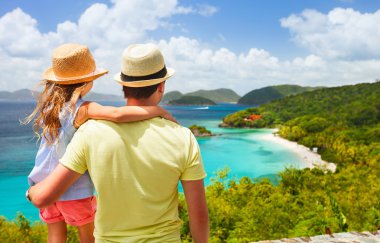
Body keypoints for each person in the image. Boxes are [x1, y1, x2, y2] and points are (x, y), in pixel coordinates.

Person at [27, 43, 209, 242]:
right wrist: (160, 112)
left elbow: (46, 195)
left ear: (123, 86)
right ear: (161, 86)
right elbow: (198, 215)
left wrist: (31, 191)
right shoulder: (183, 137)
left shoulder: (89, 131)